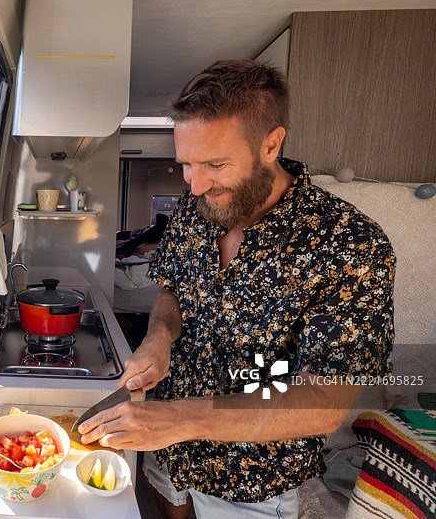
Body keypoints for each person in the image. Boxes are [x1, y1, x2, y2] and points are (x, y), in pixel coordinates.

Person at [78, 59, 395, 519]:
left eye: (215, 164)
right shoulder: (193, 209)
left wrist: (179, 419)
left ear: (271, 144)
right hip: (167, 448)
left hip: (249, 475)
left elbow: (324, 402)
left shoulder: (351, 243)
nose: (196, 183)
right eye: (185, 163)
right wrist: (158, 339)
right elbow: (171, 291)